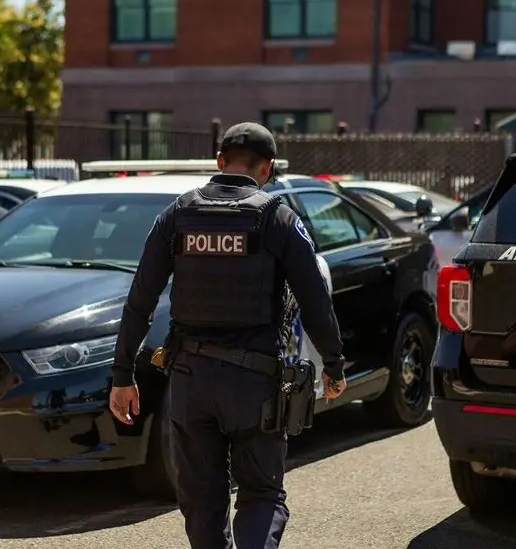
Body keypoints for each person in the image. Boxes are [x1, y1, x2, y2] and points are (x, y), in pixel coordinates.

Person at [110, 122, 347, 549]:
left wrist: (123, 375)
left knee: (203, 503)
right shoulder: (277, 216)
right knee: (261, 494)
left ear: (219, 161)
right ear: (268, 168)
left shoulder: (176, 215)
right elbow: (315, 300)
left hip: (189, 381)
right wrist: (333, 365)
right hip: (253, 386)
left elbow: (140, 300)